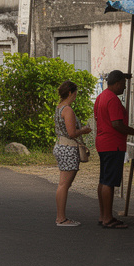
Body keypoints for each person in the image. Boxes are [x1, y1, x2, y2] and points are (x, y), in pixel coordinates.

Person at [94, 70, 134, 228]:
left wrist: (125, 75)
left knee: (103, 180)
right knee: (109, 181)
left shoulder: (101, 97)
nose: (124, 88)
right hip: (112, 144)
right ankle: (108, 218)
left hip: (103, 142)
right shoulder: (113, 100)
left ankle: (103, 216)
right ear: (116, 84)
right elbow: (117, 124)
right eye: (123, 84)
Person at [53, 81, 93, 227]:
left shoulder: (59, 108)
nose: (76, 95)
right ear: (70, 93)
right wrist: (84, 130)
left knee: (62, 184)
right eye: (75, 92)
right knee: (64, 184)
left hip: (60, 145)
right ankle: (61, 218)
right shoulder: (68, 110)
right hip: (68, 148)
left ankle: (60, 217)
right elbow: (72, 133)